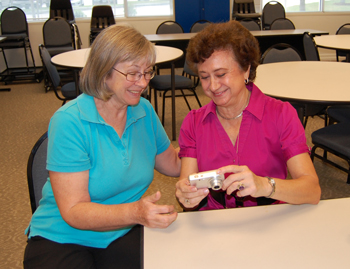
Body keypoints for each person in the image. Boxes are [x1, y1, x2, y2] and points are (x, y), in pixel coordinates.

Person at [24, 24, 181, 268]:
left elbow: (172, 163)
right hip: (64, 235)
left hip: (122, 232)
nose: (142, 83)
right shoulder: (69, 121)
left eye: (147, 72)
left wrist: (215, 140)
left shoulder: (143, 111)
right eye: (132, 73)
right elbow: (74, 211)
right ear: (104, 72)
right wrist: (136, 213)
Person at [175, 20, 321, 211]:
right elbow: (188, 190)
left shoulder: (281, 114)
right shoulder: (194, 122)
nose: (212, 86)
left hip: (269, 219)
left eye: (220, 74)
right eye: (204, 77)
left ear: (246, 69)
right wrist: (187, 196)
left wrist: (264, 185)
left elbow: (312, 191)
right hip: (215, 223)